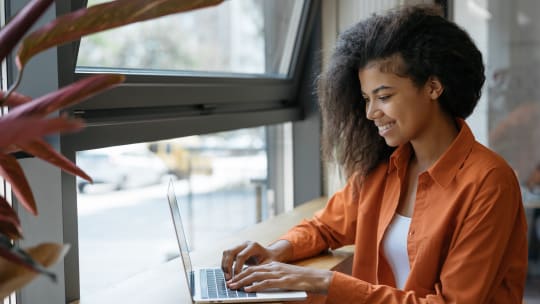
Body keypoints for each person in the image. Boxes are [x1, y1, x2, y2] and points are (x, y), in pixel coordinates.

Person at [221, 4, 528, 303]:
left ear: (433, 87)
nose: (370, 113)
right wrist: (277, 249)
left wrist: (326, 282)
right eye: (366, 98)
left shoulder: (489, 182)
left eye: (384, 96)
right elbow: (326, 226)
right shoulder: (384, 167)